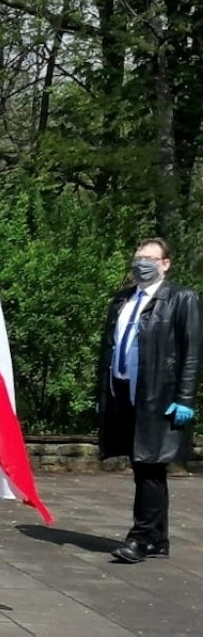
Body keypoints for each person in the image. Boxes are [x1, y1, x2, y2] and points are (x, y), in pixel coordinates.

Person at [98, 238, 199, 564]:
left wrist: (185, 397)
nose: (142, 263)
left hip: (159, 397)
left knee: (150, 464)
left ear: (165, 264)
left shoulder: (181, 299)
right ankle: (157, 538)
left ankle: (141, 538)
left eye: (150, 258)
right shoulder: (123, 300)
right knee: (145, 467)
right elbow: (112, 348)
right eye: (139, 257)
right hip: (126, 392)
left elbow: (192, 352)